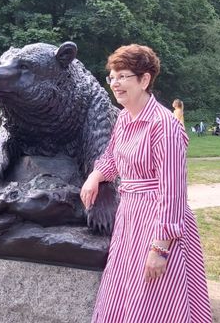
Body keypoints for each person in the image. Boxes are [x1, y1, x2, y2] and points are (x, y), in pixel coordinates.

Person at [81, 44, 212, 322]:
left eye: (123, 76)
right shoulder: (124, 120)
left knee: (156, 301)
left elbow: (173, 192)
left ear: (144, 79)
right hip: (129, 219)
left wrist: (160, 247)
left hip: (158, 225)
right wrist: (95, 176)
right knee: (124, 294)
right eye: (112, 77)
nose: (115, 83)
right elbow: (112, 159)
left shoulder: (164, 125)